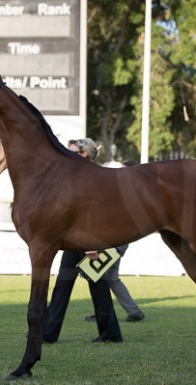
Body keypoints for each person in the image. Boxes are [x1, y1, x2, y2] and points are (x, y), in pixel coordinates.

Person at [42, 138, 123, 343]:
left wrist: (90, 245)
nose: (66, 154)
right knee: (62, 285)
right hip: (73, 240)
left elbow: (92, 213)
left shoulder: (91, 177)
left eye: (71, 151)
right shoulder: (75, 175)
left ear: (84, 154)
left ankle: (111, 334)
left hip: (89, 243)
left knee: (98, 288)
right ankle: (48, 333)